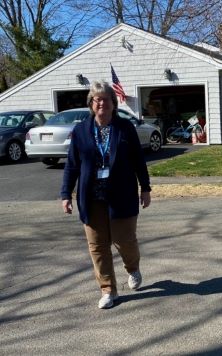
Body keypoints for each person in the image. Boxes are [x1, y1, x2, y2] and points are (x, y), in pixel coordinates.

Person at [61, 80, 152, 308]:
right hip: (91, 197)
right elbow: (72, 165)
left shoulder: (125, 128)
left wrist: (146, 188)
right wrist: (66, 194)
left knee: (125, 241)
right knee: (98, 245)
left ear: (113, 102)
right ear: (91, 104)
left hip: (121, 194)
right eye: (97, 99)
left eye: (106, 99)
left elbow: (138, 161)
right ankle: (108, 290)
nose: (101, 103)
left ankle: (133, 268)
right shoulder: (81, 131)